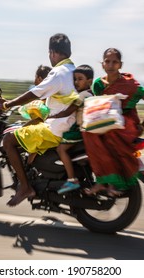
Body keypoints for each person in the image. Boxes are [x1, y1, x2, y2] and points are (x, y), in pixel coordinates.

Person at [0, 33, 79, 206]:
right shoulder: (76, 71)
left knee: (8, 140)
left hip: (55, 129)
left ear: (52, 53)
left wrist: (7, 105)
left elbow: (34, 93)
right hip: (71, 128)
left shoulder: (58, 73)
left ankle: (25, 187)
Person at [83, 48, 144, 197]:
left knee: (111, 133)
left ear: (120, 65)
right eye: (107, 61)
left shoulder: (130, 85)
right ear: (102, 64)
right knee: (87, 133)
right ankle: (101, 181)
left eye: (115, 62)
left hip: (126, 124)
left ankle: (114, 182)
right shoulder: (98, 84)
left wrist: (143, 125)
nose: (111, 65)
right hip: (104, 121)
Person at [48, 65, 94, 194]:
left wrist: (52, 115)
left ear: (89, 81)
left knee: (61, 148)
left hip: (78, 130)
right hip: (85, 129)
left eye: (80, 79)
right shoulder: (91, 93)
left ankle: (72, 179)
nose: (76, 82)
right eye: (75, 79)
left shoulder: (82, 96)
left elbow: (68, 111)